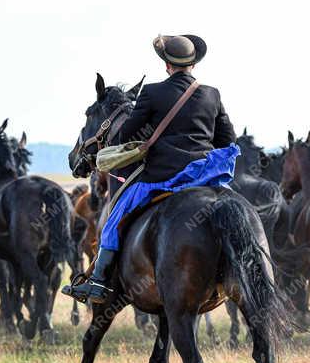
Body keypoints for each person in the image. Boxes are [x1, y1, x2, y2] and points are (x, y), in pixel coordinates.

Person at [63, 34, 238, 304]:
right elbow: (227, 140)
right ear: (193, 64)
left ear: (167, 65)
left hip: (162, 177)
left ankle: (97, 282)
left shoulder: (153, 92)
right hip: (204, 175)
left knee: (114, 220)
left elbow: (126, 135)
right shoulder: (211, 94)